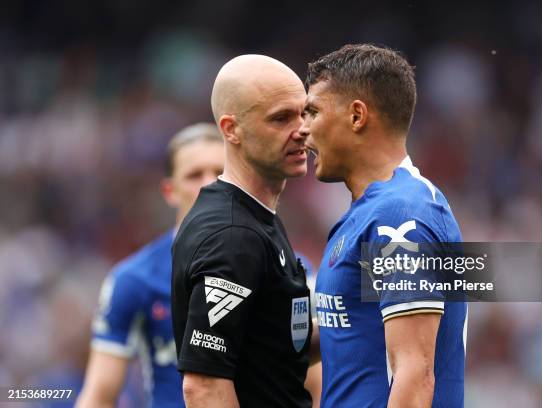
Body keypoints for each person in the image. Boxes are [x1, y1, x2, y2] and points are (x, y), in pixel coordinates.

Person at [300, 44, 467, 408]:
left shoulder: (402, 214)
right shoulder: (367, 213)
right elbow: (350, 335)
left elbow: (414, 375)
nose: (303, 129)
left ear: (357, 115)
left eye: (312, 111)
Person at [171, 55, 312, 408]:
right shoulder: (232, 235)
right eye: (281, 118)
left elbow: (274, 347)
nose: (303, 130)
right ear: (231, 129)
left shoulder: (254, 216)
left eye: (305, 113)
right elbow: (203, 386)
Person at [76, 123, 225, 408]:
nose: (209, 184)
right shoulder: (135, 279)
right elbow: (98, 396)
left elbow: (314, 383)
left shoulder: (285, 269)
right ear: (170, 190)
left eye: (220, 172)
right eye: (195, 175)